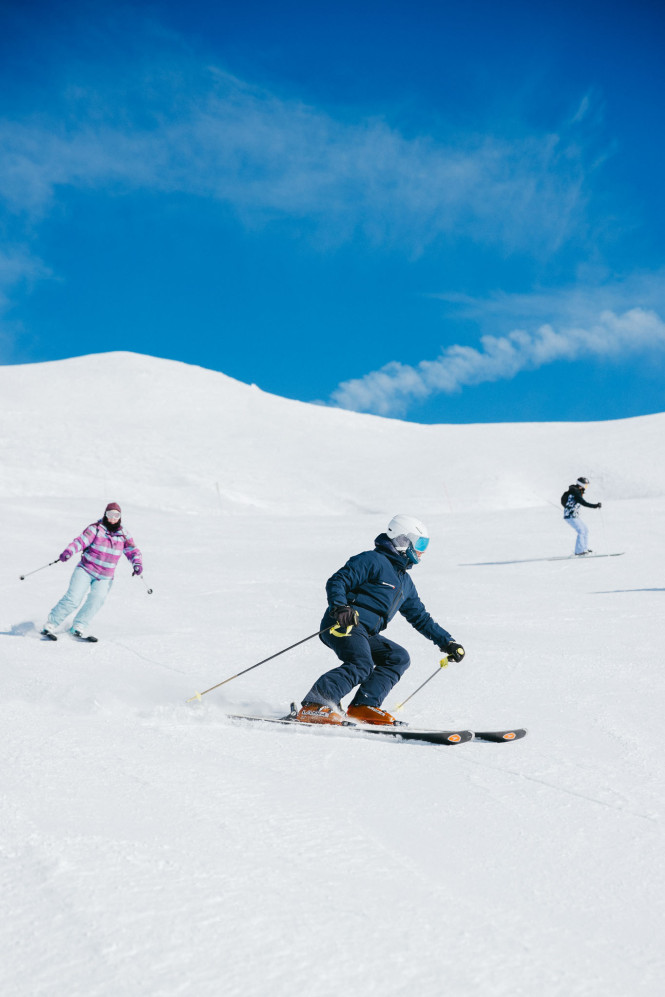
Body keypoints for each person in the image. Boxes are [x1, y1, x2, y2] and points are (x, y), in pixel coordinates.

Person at [296, 514, 465, 726]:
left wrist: (447, 642)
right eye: (420, 543)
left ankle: (363, 706)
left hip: (366, 632)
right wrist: (340, 607)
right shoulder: (372, 560)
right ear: (403, 540)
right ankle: (314, 705)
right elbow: (338, 580)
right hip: (343, 624)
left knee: (398, 657)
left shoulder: (405, 582)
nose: (423, 550)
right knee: (361, 663)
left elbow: (420, 617)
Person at [41, 502, 143, 641]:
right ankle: (51, 624)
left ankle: (78, 626)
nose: (112, 518)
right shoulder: (96, 529)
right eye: (110, 514)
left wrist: (137, 564)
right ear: (105, 514)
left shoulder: (123, 535)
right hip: (86, 570)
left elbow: (132, 551)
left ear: (120, 517)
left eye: (116, 515)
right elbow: (80, 541)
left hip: (105, 577)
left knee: (97, 599)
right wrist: (69, 551)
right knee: (73, 598)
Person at [561, 477, 602, 556]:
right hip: (570, 516)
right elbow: (583, 503)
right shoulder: (575, 492)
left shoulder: (576, 491)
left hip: (574, 516)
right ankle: (579, 551)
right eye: (585, 485)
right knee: (581, 531)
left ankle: (584, 549)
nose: (586, 487)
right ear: (581, 484)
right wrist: (595, 506)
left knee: (585, 530)